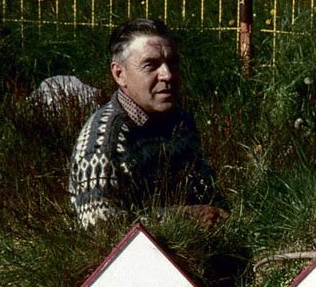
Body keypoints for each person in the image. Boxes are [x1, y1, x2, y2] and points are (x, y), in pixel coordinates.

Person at [68, 18, 227, 229]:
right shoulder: (104, 145)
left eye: (172, 62)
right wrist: (184, 217)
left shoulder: (181, 121)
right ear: (119, 74)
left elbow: (207, 190)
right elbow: (102, 228)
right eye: (150, 65)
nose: (167, 75)